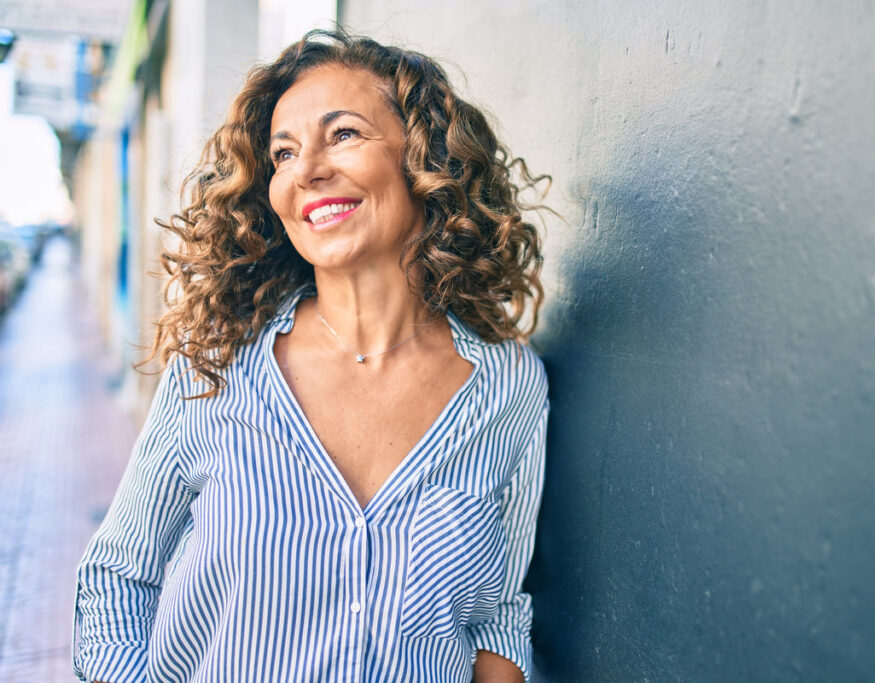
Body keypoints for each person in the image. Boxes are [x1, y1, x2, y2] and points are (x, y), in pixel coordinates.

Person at [73, 28, 549, 683]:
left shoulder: (507, 386)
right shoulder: (217, 365)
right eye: (284, 152)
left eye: (345, 134)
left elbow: (498, 616)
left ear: (427, 158)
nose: (307, 170)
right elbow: (118, 576)